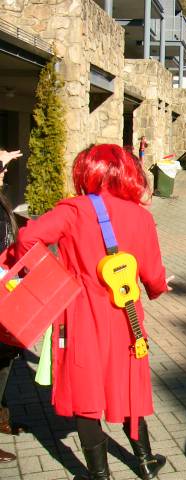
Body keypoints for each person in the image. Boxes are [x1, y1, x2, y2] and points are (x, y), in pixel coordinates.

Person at [13, 144, 172, 480]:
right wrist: (157, 290)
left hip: (80, 315)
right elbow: (154, 277)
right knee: (128, 382)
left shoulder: (72, 211)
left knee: (86, 387)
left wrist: (54, 274)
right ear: (127, 172)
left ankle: (99, 475)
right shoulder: (141, 216)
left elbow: (26, 238)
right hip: (127, 318)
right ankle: (145, 464)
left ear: (88, 172)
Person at [0, 148, 24, 464]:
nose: (3, 170)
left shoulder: (2, 200)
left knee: (6, 356)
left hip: (6, 287)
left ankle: (2, 418)